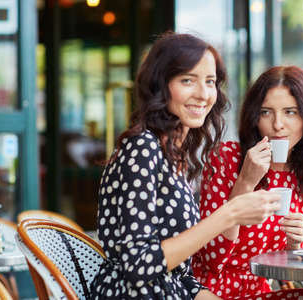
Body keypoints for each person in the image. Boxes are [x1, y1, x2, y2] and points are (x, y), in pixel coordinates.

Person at [90, 32, 282, 300]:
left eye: (210, 81)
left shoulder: (173, 156)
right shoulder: (141, 148)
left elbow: (178, 276)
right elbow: (138, 267)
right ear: (160, 84)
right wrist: (230, 213)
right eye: (188, 80)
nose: (203, 94)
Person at [192, 65, 303, 299]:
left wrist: (293, 245)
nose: (278, 124)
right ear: (254, 118)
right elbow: (212, 260)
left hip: (256, 292)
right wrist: (245, 182)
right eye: (266, 112)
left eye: (290, 112)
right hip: (209, 291)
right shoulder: (226, 158)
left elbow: (283, 272)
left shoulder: (302, 174)